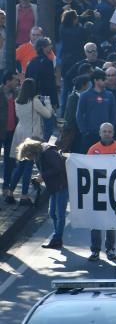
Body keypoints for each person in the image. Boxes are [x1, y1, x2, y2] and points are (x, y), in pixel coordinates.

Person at [6, 78, 53, 206]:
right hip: (31, 136)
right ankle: (24, 196)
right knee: (28, 166)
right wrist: (47, 102)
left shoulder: (18, 101)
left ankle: (10, 193)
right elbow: (48, 115)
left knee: (20, 165)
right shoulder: (35, 101)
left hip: (20, 132)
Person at [87, 122, 116, 261]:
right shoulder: (93, 149)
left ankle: (110, 249)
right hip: (97, 191)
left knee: (111, 221)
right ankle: (95, 250)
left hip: (114, 192)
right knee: (96, 222)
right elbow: (85, 168)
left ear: (113, 133)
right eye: (104, 131)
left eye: (109, 131)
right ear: (100, 133)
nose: (107, 134)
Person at [17, 138, 68, 249]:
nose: (28, 159)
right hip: (54, 186)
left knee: (59, 213)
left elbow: (58, 168)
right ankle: (57, 238)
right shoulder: (41, 153)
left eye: (28, 156)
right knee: (53, 213)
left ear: (31, 152)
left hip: (61, 185)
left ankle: (57, 239)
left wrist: (42, 176)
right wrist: (40, 177)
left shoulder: (47, 153)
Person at [76, 69, 116, 152]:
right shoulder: (85, 95)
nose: (106, 81)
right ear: (96, 80)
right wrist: (84, 131)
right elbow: (79, 114)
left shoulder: (109, 95)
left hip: (105, 134)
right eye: (103, 79)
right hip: (90, 133)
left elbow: (113, 113)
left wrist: (111, 128)